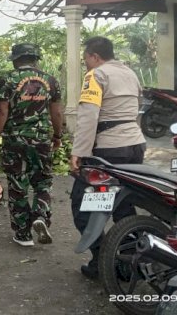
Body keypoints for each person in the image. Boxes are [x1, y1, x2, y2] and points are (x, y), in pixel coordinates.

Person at [69, 36, 146, 279]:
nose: (86, 65)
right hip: (135, 146)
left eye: (86, 60)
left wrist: (79, 153)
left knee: (82, 205)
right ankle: (131, 264)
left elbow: (89, 116)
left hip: (110, 151)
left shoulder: (96, 75)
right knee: (123, 205)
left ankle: (104, 262)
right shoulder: (130, 73)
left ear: (94, 56)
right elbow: (137, 109)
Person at [0, 43, 63, 247]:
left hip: (15, 140)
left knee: (17, 186)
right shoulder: (51, 81)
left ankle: (23, 234)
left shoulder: (7, 80)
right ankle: (40, 215)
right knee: (42, 183)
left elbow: (2, 112)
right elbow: (56, 113)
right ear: (35, 59)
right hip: (41, 140)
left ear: (16, 59)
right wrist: (57, 136)